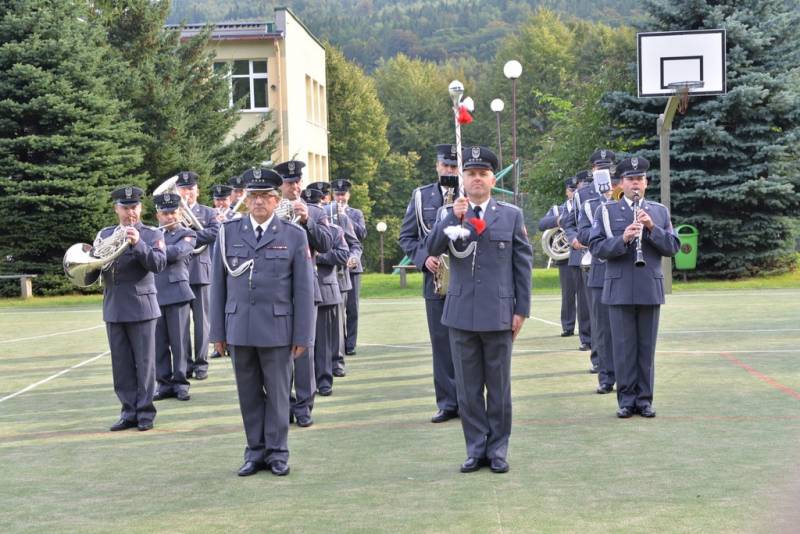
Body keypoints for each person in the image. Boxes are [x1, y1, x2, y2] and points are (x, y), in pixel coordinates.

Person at [428, 146, 532, 474]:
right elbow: (432, 249)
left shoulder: (511, 215)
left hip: (499, 313)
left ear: (492, 179)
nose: (476, 179)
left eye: (482, 174)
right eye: (471, 174)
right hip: (460, 314)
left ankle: (498, 449)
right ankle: (475, 449)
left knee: (499, 389)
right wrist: (451, 217)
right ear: (463, 178)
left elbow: (522, 265)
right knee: (468, 390)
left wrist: (521, 310)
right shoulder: (449, 213)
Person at [210, 168, 315, 476]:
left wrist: (303, 336)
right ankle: (255, 452)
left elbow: (304, 291)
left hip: (278, 330)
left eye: (265, 196)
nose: (258, 202)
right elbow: (218, 286)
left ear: (276, 199)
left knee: (279, 396)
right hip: (239, 328)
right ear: (245, 199)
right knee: (249, 395)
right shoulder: (227, 233)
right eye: (253, 196)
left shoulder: (293, 235)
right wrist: (217, 332)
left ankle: (278, 453)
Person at [588, 156, 680, 418]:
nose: (635, 184)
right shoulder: (606, 211)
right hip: (619, 289)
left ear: (646, 183)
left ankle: (645, 400)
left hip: (649, 287)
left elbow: (672, 247)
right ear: (621, 183)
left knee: (646, 348)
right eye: (630, 179)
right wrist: (623, 239)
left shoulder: (659, 212)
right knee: (623, 348)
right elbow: (596, 247)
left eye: (640, 179)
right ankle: (626, 400)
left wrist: (651, 227)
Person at [398, 143, 460, 423]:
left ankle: (470, 401)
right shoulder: (421, 196)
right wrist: (423, 258)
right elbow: (407, 236)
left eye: (454, 166)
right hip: (436, 281)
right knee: (441, 344)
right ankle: (447, 403)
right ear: (437, 166)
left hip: (467, 281)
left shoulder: (469, 193)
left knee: (468, 343)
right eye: (445, 165)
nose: (449, 170)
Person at [100, 186, 166, 431]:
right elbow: (97, 266)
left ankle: (145, 413)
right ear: (116, 209)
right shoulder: (105, 234)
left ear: (141, 208)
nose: (130, 212)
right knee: (121, 365)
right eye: (125, 208)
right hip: (114, 307)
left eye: (134, 207)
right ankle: (128, 412)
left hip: (141, 308)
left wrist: (138, 243)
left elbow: (158, 264)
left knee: (145, 363)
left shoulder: (151, 233)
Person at [274, 160, 335, 420]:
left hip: (306, 288)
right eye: (289, 183)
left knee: (304, 351)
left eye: (297, 181)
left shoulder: (316, 212)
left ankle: (304, 406)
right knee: (278, 352)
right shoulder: (271, 212)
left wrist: (308, 219)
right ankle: (283, 405)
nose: (295, 187)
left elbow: (326, 244)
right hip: (277, 290)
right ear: (280, 185)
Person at [303, 187, 350, 407]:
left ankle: (324, 381)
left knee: (323, 343)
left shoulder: (334, 230)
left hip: (326, 290)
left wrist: (318, 256)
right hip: (305, 290)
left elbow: (343, 255)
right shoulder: (296, 229)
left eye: (317, 206)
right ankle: (308, 382)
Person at [577, 149, 617, 394]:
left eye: (608, 167)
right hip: (600, 268)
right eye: (600, 168)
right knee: (602, 328)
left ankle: (627, 376)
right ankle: (605, 375)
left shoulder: (623, 194)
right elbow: (581, 232)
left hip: (625, 271)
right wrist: (600, 228)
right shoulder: (586, 200)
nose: (604, 172)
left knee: (625, 329)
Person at [175, 171, 220, 380]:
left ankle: (201, 364)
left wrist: (189, 235)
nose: (187, 192)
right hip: (178, 274)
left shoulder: (208, 212)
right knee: (181, 324)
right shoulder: (172, 213)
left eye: (190, 189)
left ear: (197, 191)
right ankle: (185, 364)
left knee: (202, 323)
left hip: (201, 272)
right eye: (183, 189)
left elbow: (215, 232)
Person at [152, 193, 197, 401]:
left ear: (179, 213)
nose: (170, 217)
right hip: (155, 294)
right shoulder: (152, 234)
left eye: (173, 212)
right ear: (158, 216)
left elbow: (177, 253)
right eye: (165, 213)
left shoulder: (188, 233)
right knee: (158, 344)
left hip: (177, 294)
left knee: (179, 343)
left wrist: (154, 249)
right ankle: (164, 384)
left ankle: (181, 383)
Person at [537, 176, 578, 337]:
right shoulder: (557, 210)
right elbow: (542, 224)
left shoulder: (586, 207)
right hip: (565, 258)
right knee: (568, 294)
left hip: (583, 255)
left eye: (577, 189)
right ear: (567, 192)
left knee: (585, 295)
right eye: (572, 190)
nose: (574, 192)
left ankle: (588, 329)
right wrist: (559, 220)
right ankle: (568, 326)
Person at [562, 169, 595, 363]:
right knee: (584, 300)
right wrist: (574, 238)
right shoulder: (580, 197)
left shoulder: (617, 189)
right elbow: (570, 223)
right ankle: (587, 338)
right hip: (583, 254)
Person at [332, 179, 366, 356]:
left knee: (352, 308)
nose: (340, 197)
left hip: (353, 266)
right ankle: (339, 342)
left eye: (343, 194)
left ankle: (350, 344)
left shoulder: (356, 213)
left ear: (348, 195)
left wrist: (345, 216)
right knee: (338, 307)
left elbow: (362, 234)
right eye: (337, 194)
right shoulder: (328, 212)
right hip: (336, 265)